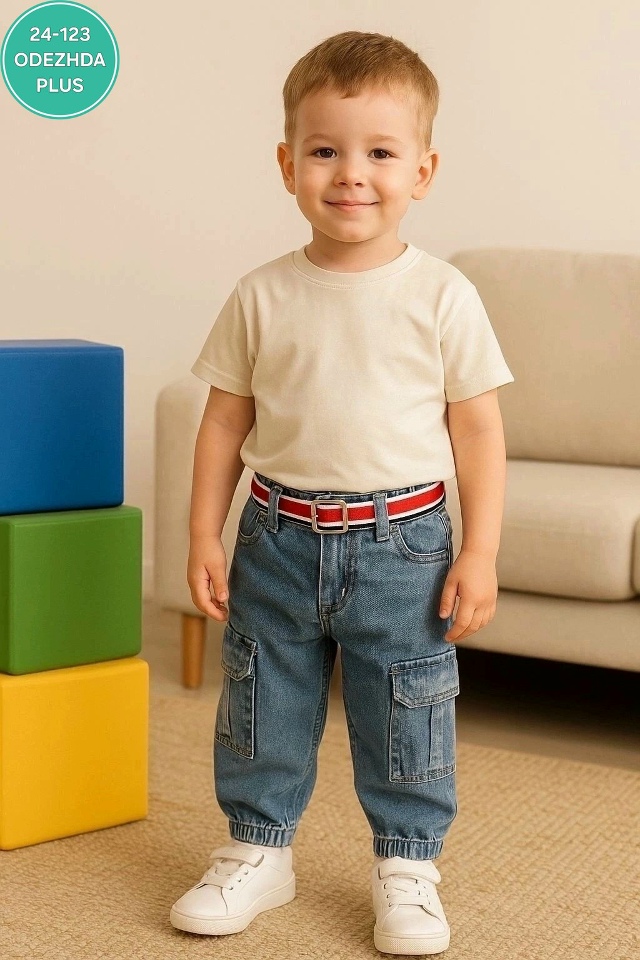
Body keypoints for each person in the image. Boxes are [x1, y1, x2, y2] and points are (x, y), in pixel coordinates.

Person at [169, 29, 514, 956]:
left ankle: (407, 865)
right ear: (288, 165)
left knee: (407, 706)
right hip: (275, 537)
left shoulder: (444, 295)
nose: (352, 174)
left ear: (423, 171)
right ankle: (257, 848)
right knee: (261, 701)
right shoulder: (260, 294)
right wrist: (203, 535)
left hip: (405, 547)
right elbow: (223, 424)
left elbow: (479, 432)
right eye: (325, 150)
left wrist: (480, 551)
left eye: (381, 153)